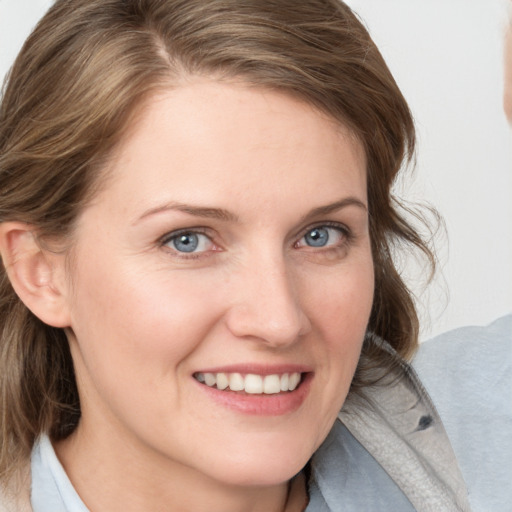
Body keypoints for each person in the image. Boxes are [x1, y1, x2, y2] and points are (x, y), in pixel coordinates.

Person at [0, 1, 507, 511]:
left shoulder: (478, 445)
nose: (278, 320)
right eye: (189, 241)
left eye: (320, 235)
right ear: (40, 271)